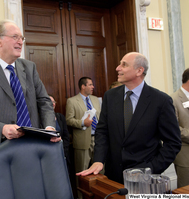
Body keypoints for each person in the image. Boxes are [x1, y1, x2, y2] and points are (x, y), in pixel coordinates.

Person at [0, 19, 60, 168]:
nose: (20, 42)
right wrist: (2, 129)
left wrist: (49, 127)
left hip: (33, 149)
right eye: (15, 37)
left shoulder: (29, 67)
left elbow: (44, 101)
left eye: (21, 38)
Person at [77, 52, 182, 184]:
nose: (117, 68)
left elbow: (173, 143)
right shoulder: (110, 96)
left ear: (139, 71)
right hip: (113, 175)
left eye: (124, 65)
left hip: (145, 179)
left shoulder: (161, 100)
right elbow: (102, 131)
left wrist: (151, 168)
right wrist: (98, 160)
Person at [66, 77, 101, 175]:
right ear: (83, 86)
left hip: (98, 140)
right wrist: (82, 123)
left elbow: (100, 117)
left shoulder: (95, 99)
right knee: (82, 171)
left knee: (100, 171)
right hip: (82, 141)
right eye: (90, 85)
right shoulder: (72, 101)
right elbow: (68, 120)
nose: (93, 87)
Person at [49, 95, 70, 167]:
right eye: (50, 102)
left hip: (62, 152)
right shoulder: (39, 119)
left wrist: (64, 150)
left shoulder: (60, 117)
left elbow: (66, 135)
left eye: (54, 101)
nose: (53, 104)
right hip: (48, 153)